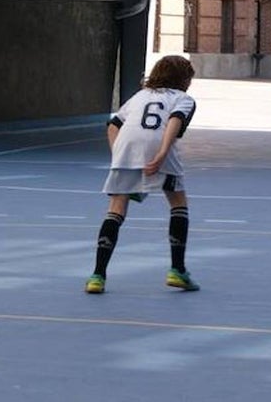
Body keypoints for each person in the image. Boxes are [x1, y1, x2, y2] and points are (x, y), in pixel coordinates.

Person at [85, 55, 200, 294]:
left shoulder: (139, 96)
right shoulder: (184, 99)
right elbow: (174, 121)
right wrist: (161, 154)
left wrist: (118, 154)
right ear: (182, 79)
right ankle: (177, 270)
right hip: (157, 147)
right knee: (177, 201)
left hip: (126, 148)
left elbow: (113, 124)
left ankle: (98, 276)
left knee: (116, 208)